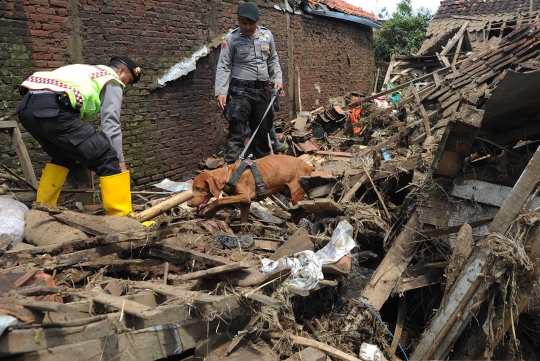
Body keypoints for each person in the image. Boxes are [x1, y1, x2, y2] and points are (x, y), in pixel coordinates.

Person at [16, 56, 141, 216]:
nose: (125, 85)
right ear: (121, 71)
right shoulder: (111, 80)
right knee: (108, 157)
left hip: (27, 109)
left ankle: (42, 210)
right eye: (128, 80)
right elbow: (111, 123)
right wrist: (120, 161)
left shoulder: (84, 70)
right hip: (53, 110)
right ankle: (123, 218)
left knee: (63, 157)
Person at [215, 1, 285, 164]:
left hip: (262, 91)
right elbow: (224, 66)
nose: (247, 27)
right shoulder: (230, 39)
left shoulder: (267, 36)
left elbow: (273, 60)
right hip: (241, 92)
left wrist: (278, 80)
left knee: (262, 133)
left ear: (258, 20)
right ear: (238, 20)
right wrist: (221, 91)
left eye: (251, 23)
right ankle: (232, 172)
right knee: (237, 133)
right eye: (243, 23)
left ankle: (263, 177)